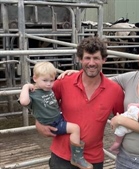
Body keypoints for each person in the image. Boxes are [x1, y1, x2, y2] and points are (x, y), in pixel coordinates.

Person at [59, 40, 139, 169]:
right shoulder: (130, 78)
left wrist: (120, 120)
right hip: (125, 156)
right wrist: (80, 74)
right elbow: (100, 81)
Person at [34, 36, 125, 169]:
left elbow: (121, 118)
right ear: (80, 59)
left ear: (104, 60)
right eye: (87, 58)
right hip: (62, 156)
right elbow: (41, 101)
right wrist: (38, 123)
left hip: (93, 158)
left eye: (96, 58)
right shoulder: (64, 82)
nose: (91, 63)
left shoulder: (115, 90)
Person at [19, 61, 93, 169]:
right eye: (45, 80)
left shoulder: (48, 89)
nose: (49, 84)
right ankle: (77, 157)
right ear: (35, 78)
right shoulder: (33, 93)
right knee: (75, 128)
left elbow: (81, 79)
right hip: (53, 124)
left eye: (51, 80)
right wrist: (26, 86)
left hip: (58, 117)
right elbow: (24, 102)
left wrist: (73, 72)